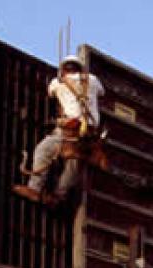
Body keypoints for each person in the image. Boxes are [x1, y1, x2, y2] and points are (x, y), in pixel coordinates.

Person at [12, 54, 104, 206]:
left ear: (63, 70)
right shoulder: (92, 80)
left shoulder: (57, 82)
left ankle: (34, 188)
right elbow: (102, 93)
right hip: (90, 132)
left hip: (70, 129)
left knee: (43, 150)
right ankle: (59, 196)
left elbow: (50, 93)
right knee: (75, 161)